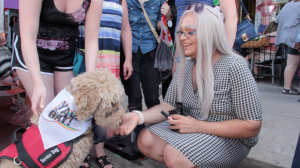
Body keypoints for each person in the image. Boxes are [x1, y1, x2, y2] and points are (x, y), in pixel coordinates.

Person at [116, 4, 262, 168]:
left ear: (209, 32)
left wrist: (197, 126)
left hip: (230, 138)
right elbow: (167, 106)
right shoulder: (186, 66)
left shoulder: (234, 66)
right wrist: (138, 116)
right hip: (194, 127)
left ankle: (188, 159)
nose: (183, 37)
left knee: (174, 154)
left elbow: (252, 126)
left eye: (190, 32)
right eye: (181, 32)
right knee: (145, 140)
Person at [10, 0, 103, 167]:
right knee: (49, 114)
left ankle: (65, 159)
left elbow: (91, 40)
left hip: (64, 54)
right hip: (33, 50)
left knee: (71, 114)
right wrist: (38, 83)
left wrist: (88, 80)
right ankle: (38, 158)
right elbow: (28, 38)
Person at [77, 0, 133, 166]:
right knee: (83, 109)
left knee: (105, 111)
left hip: (110, 62)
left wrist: (128, 59)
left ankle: (100, 151)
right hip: (84, 60)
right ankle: (83, 151)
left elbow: (126, 30)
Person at [120, 0, 172, 143]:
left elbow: (159, 26)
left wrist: (166, 17)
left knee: (152, 97)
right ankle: (137, 138)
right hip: (129, 52)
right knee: (134, 97)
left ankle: (156, 137)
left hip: (150, 51)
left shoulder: (159, 1)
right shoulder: (125, 1)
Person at [172, 0, 238, 74]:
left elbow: (231, 17)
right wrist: (177, 56)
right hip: (183, 47)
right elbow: (181, 29)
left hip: (207, 50)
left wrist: (224, 56)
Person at [275, 0, 300, 95]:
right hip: (294, 37)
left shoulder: (286, 5)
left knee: (292, 63)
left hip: (283, 36)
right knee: (292, 63)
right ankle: (286, 87)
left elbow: (277, 20)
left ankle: (287, 86)